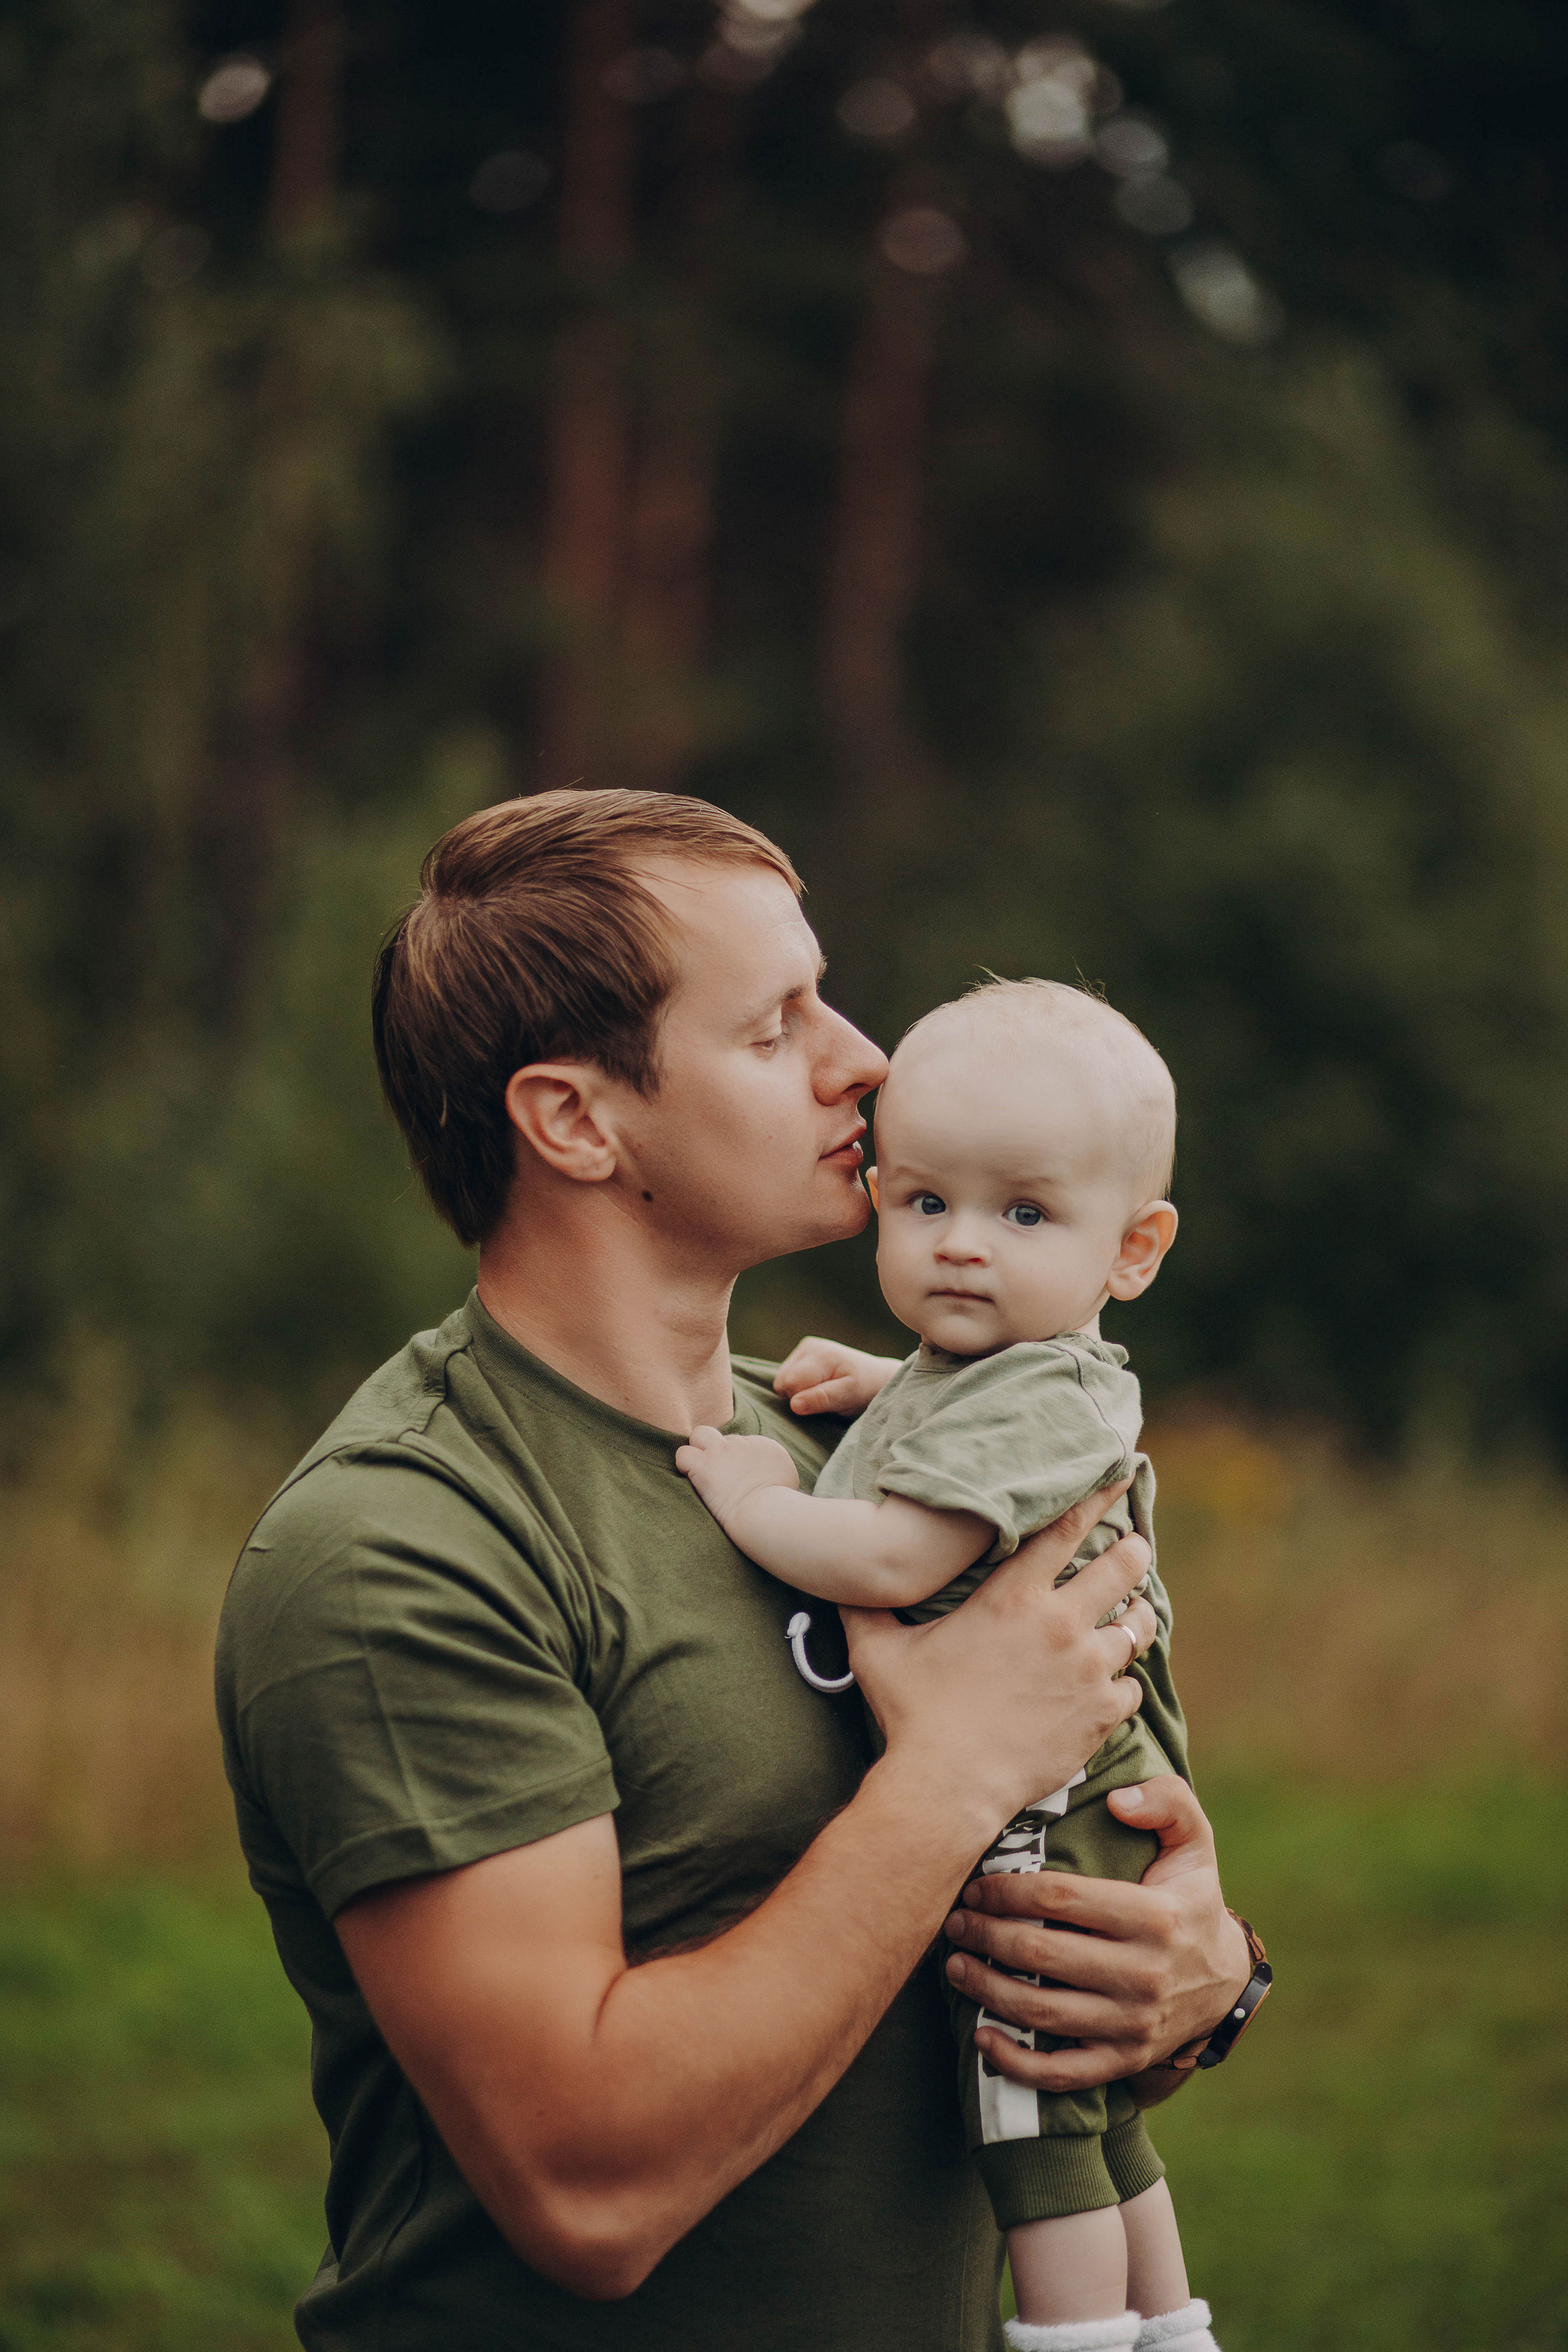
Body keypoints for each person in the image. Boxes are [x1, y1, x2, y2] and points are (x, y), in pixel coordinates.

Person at [214, 788, 1254, 2352]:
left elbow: (1071, 1880)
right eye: (777, 1030)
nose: (866, 1062)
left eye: (827, 996)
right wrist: (949, 1772)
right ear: (575, 1121)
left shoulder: (881, 1448)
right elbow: (587, 2195)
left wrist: (1194, 1982)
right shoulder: (401, 1548)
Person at [679, 978, 1230, 2352]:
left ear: (1135, 1247)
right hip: (1089, 1781)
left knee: (1032, 2125)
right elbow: (978, 1409)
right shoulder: (1034, 1369)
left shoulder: (1035, 1394)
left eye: (1021, 1214)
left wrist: (751, 1497)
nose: (959, 1250)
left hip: (1037, 1816)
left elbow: (897, 1559)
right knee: (1103, 2133)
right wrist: (884, 1381)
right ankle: (1168, 2325)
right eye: (922, 1204)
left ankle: (1075, 2339)